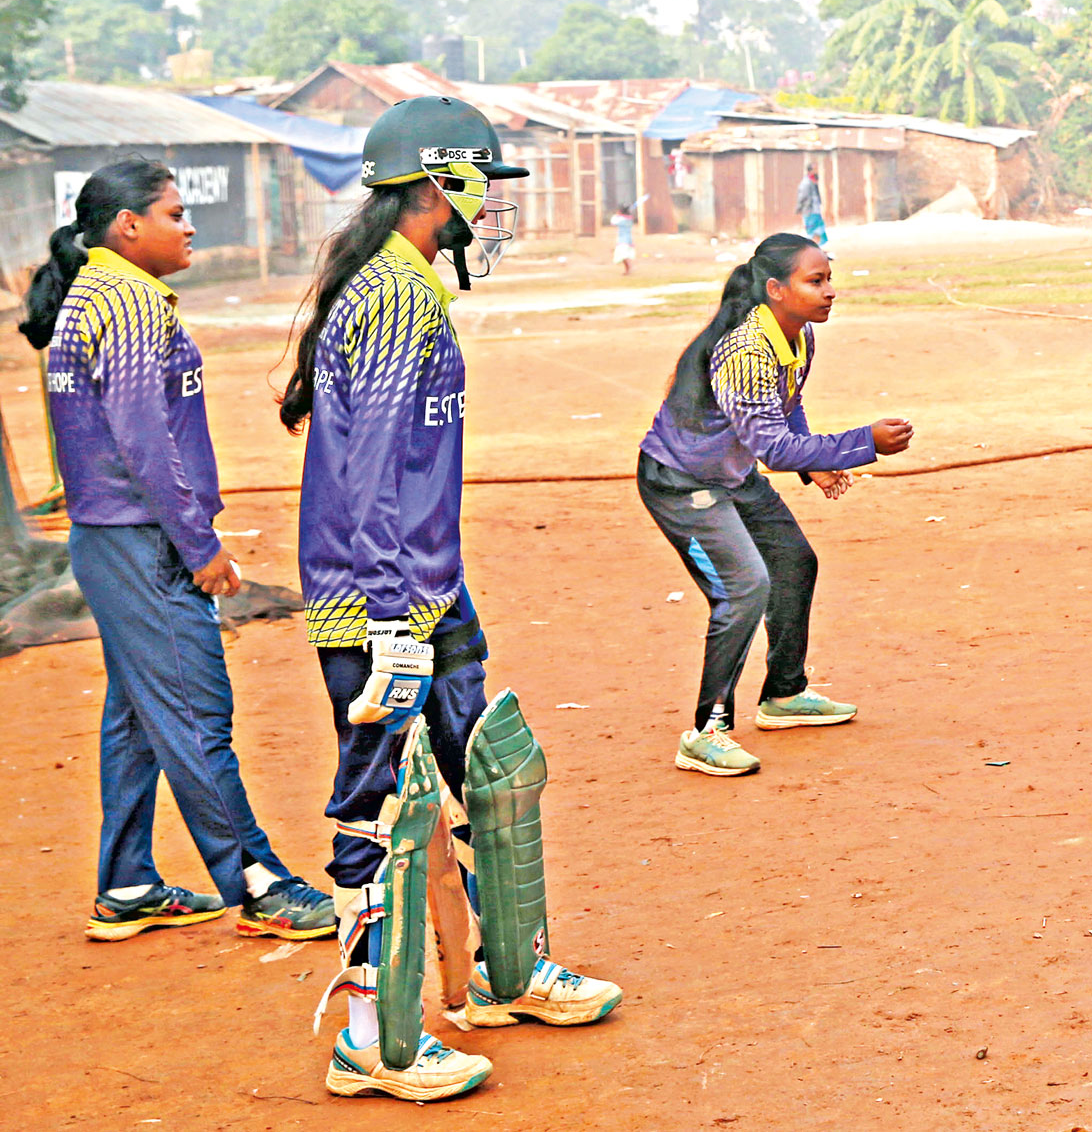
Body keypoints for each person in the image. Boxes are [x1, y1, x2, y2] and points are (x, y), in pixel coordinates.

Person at [279, 96, 621, 1101]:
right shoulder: (392, 296)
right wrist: (392, 620)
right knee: (380, 806)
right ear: (441, 183)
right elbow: (373, 473)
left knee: (489, 772)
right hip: (379, 595)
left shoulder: (408, 285)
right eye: (485, 185)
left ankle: (500, 976)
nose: (494, 208)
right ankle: (367, 1039)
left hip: (427, 582)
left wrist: (424, 594)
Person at [19, 159, 334, 944]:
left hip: (111, 540)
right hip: (142, 543)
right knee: (197, 715)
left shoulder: (97, 295)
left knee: (138, 716)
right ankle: (260, 882)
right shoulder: (125, 302)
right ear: (128, 225)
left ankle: (126, 881)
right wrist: (200, 544)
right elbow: (143, 441)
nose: (189, 225)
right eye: (173, 212)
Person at [636, 232, 913, 775]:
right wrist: (862, 443)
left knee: (793, 562)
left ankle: (783, 695)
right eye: (816, 281)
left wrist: (815, 461)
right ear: (774, 289)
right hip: (682, 483)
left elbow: (788, 405)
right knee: (744, 588)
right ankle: (704, 733)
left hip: (730, 475)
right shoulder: (743, 348)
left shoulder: (798, 334)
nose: (829, 291)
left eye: (829, 277)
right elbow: (772, 447)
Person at [796, 164, 829, 248]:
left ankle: (818, 246)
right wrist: (799, 208)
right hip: (809, 211)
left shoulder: (813, 181)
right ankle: (813, 247)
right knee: (812, 230)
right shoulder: (806, 183)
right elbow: (802, 197)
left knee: (819, 228)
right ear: (810, 171)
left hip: (815, 210)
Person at [611, 202, 636, 275]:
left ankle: (629, 268)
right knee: (623, 256)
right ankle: (628, 270)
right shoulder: (629, 219)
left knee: (623, 255)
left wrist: (616, 215)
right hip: (627, 240)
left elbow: (613, 222)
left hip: (623, 240)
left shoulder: (622, 220)